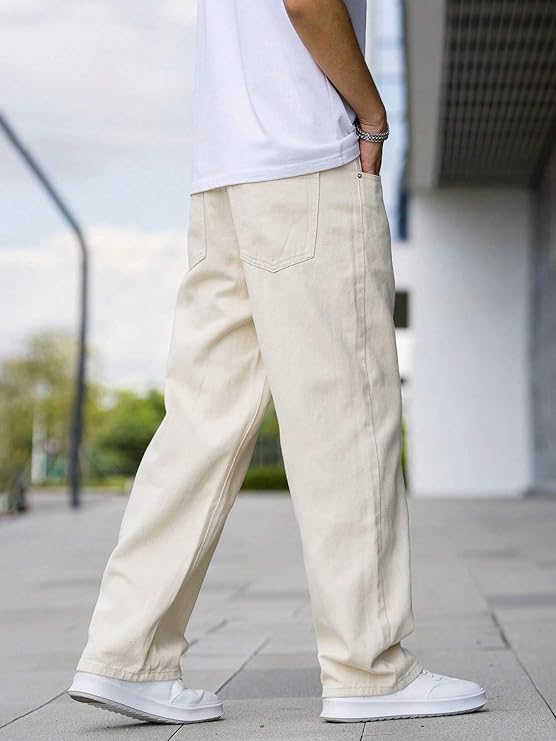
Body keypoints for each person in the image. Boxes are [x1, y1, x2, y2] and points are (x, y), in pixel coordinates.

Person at [68, 0, 487, 725]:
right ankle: (368, 668)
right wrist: (371, 112)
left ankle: (125, 653)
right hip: (308, 162)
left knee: (202, 424)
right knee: (347, 417)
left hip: (223, 175)